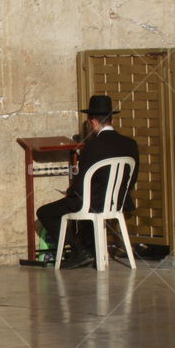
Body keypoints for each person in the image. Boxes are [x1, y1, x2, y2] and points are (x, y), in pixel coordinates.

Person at [36, 94, 140, 269]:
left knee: (45, 212)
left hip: (93, 204)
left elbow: (81, 181)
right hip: (117, 203)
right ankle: (89, 249)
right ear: (111, 119)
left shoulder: (92, 146)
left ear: (92, 122)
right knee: (83, 203)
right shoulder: (130, 144)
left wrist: (69, 192)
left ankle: (79, 250)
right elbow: (133, 177)